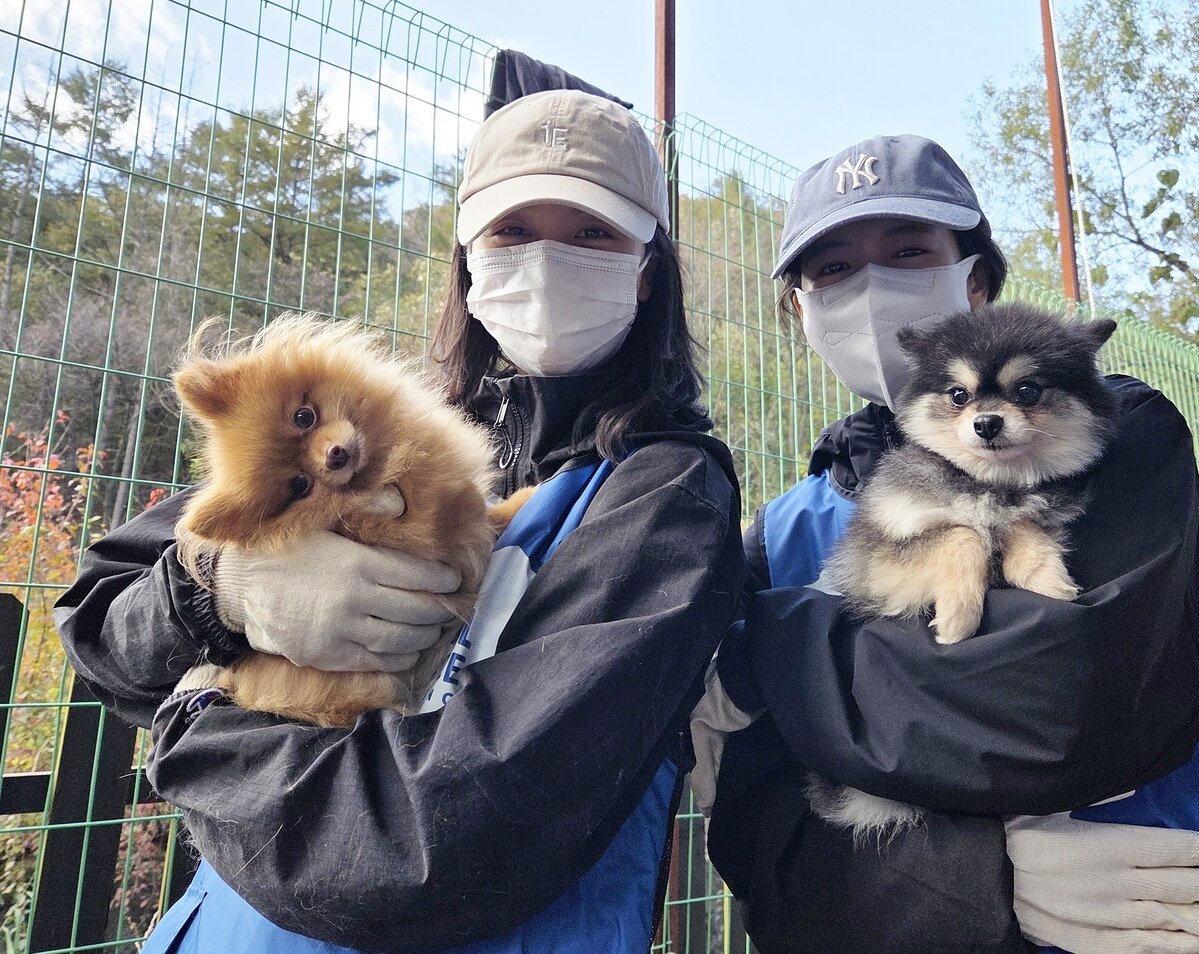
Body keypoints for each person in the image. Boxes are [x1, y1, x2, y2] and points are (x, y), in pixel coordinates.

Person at [56, 90, 745, 953]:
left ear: (647, 268)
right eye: (512, 231)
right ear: (468, 259)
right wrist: (214, 594)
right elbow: (96, 620)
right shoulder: (377, 417)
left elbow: (434, 843)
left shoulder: (662, 490)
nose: (546, 260)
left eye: (592, 233)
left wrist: (200, 728)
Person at [694, 135, 1199, 953]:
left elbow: (1064, 696)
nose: (871, 289)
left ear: (974, 279)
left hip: (1173, 917)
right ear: (799, 309)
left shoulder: (1119, 438)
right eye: (832, 270)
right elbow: (762, 832)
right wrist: (976, 881)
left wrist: (770, 651)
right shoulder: (777, 533)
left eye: (909, 251)